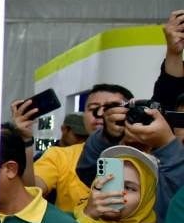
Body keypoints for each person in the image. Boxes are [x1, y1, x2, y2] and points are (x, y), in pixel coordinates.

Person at [15, 84, 132, 213]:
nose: (101, 114)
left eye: (111, 108)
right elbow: (31, 192)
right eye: (93, 108)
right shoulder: (60, 155)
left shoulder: (145, 153)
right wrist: (25, 141)